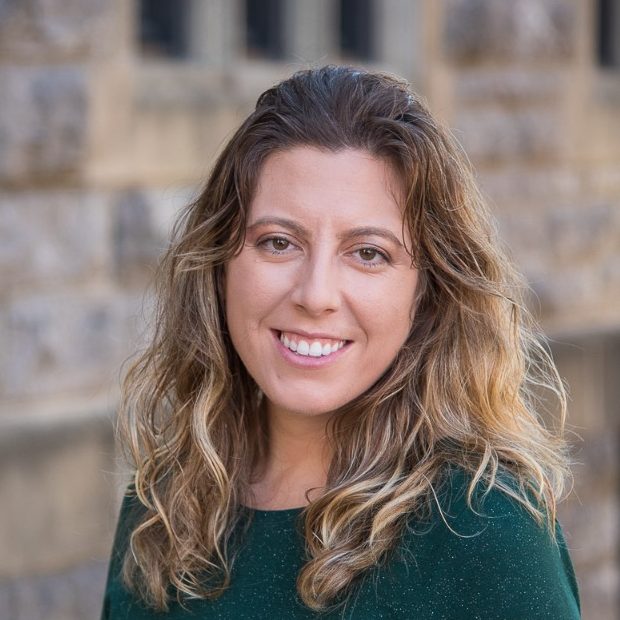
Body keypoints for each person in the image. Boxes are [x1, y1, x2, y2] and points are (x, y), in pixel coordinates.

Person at [101, 65, 580, 619]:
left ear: (427, 292)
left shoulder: (485, 529)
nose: (316, 294)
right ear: (220, 267)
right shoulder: (165, 502)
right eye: (278, 243)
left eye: (368, 252)